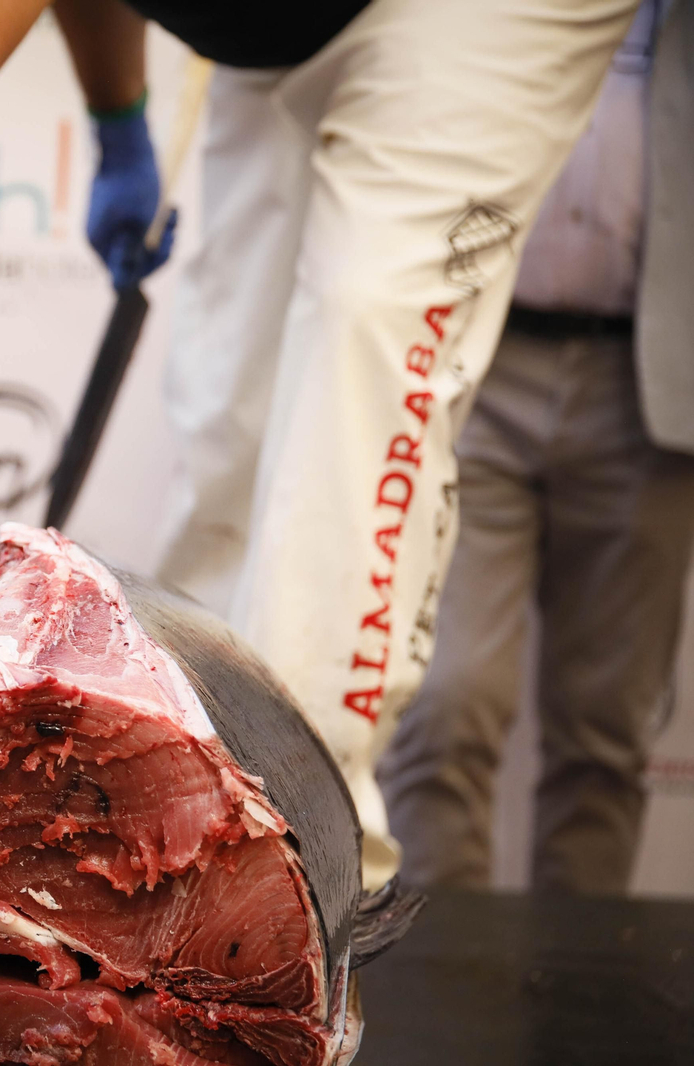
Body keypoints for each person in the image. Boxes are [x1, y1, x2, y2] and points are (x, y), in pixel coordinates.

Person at [0, 0, 642, 889]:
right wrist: (118, 118)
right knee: (227, 410)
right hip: (276, 38)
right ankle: (167, 828)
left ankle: (301, 905)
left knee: (363, 335)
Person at [379, 0, 694, 895]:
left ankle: (579, 1011)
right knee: (443, 710)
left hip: (651, 385)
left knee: (604, 735)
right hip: (471, 365)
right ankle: (446, 1013)